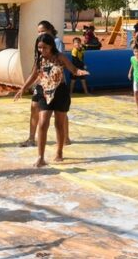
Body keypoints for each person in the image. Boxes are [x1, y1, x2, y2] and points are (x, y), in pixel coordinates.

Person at [15, 33, 89, 166]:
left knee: (59, 124)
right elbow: (33, 75)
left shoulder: (59, 57)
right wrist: (23, 88)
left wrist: (79, 72)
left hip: (60, 92)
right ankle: (40, 157)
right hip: (45, 93)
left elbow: (72, 69)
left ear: (51, 46)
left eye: (44, 48)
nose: (41, 51)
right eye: (39, 48)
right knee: (43, 123)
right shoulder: (39, 59)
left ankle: (59, 151)